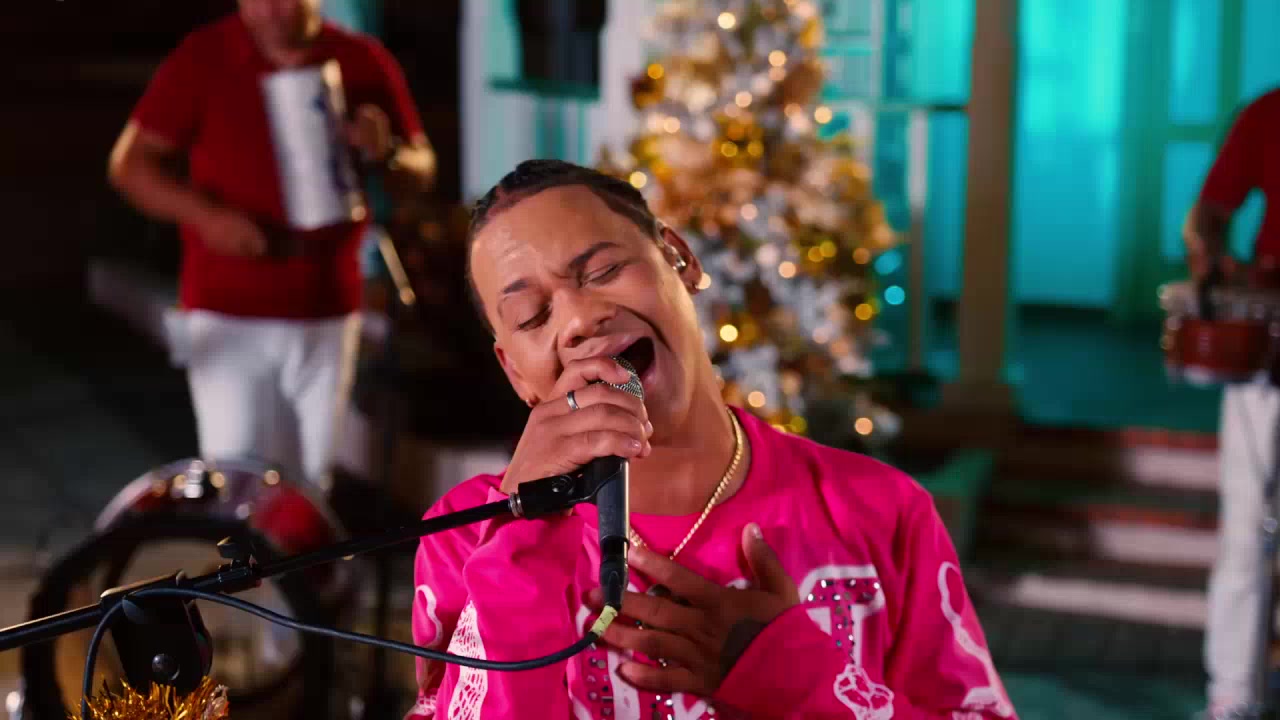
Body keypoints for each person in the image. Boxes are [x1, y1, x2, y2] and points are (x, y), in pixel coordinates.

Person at [405, 159, 1016, 719]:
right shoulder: (467, 535)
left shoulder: (882, 509)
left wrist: (798, 680)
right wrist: (522, 542)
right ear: (515, 372)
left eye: (605, 271)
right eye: (533, 317)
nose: (580, 319)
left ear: (680, 258)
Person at [107, 0, 435, 489]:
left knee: (313, 483)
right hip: (227, 309)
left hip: (328, 306)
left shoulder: (361, 58)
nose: (270, 10)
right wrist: (206, 217)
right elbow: (130, 165)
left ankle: (306, 542)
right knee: (236, 478)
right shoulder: (205, 55)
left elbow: (422, 168)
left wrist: (386, 151)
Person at [1184, 88, 1280, 720]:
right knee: (1248, 524)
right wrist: (1215, 262)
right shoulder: (1270, 113)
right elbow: (1211, 211)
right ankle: (1234, 694)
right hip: (1271, 334)